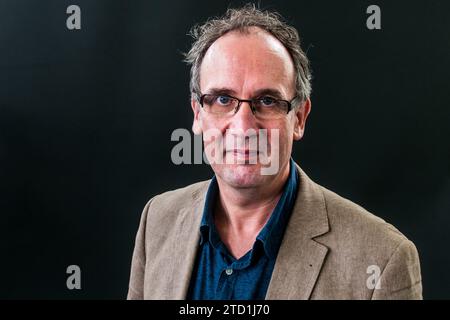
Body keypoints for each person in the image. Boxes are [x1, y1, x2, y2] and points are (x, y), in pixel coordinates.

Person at [127, 4, 422, 300]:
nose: (243, 127)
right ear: (198, 114)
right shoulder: (157, 220)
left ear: (299, 118)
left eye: (267, 101)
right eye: (222, 99)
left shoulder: (383, 259)